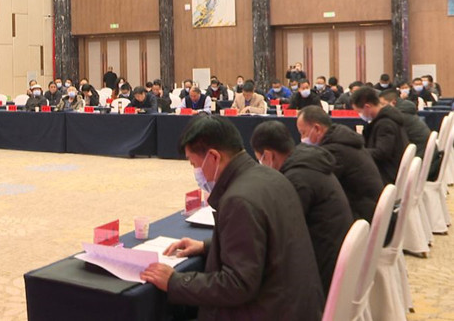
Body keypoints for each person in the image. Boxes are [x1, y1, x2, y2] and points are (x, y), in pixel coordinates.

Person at [140, 116, 323, 320]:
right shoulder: (273, 177)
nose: (196, 172)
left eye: (194, 164)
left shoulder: (239, 200)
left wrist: (175, 282)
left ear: (213, 157)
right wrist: (206, 246)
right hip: (295, 305)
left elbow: (237, 285)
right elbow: (264, 242)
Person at [251, 121, 353, 293]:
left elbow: (279, 235)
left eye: (259, 159)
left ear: (268, 156)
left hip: (322, 277)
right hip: (335, 261)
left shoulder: (297, 179)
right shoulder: (306, 162)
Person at [297, 106, 383, 222]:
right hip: (370, 209)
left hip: (362, 216)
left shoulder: (334, 152)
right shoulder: (341, 139)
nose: (302, 139)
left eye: (303, 133)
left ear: (317, 129)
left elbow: (316, 187)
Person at [351, 87, 409, 185]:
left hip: (386, 176)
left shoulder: (385, 124)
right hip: (391, 171)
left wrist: (356, 153)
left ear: (367, 107)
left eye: (359, 111)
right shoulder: (388, 118)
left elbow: (381, 153)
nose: (359, 115)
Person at [379, 89, 431, 159]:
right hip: (425, 154)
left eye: (382, 104)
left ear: (393, 103)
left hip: (419, 156)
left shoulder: (398, 116)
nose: (380, 107)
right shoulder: (405, 111)